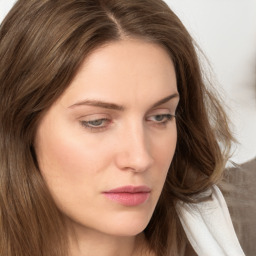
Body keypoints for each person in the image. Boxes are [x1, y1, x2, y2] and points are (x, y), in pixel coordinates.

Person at [0, 0, 245, 255]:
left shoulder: (239, 226)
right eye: (96, 121)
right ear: (21, 125)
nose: (140, 159)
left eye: (160, 117)